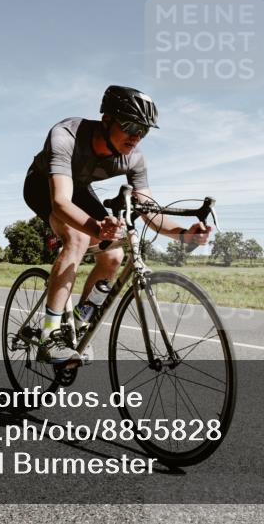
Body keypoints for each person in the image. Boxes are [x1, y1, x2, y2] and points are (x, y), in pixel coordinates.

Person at [23, 86, 211, 364]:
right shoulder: (66, 135)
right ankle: (49, 337)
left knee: (114, 254)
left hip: (79, 188)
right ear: (107, 120)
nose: (137, 136)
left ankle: (80, 322)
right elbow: (61, 202)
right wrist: (96, 229)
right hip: (43, 186)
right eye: (131, 126)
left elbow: (149, 211)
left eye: (144, 130)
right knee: (77, 238)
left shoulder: (134, 158)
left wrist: (183, 234)